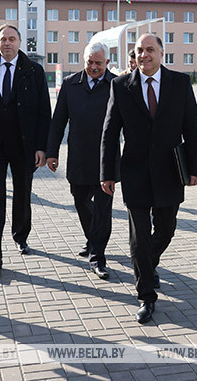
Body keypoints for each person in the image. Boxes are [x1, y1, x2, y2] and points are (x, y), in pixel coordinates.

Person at [101, 33, 197, 324]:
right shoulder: (121, 85)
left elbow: (192, 127)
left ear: (161, 53)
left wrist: (196, 168)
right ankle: (146, 294)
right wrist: (107, 173)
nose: (144, 55)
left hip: (170, 170)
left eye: (150, 49)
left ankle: (147, 263)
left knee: (166, 229)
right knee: (139, 235)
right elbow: (110, 132)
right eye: (139, 51)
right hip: (134, 171)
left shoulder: (180, 83)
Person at [0, 24, 51, 270]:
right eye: (3, 39)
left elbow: (44, 112)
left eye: (11, 39)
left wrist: (41, 147)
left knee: (23, 193)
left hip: (24, 145)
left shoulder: (34, 70)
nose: (7, 43)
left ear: (20, 42)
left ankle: (20, 236)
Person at [46, 42, 118, 280]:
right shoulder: (70, 84)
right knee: (81, 202)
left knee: (103, 209)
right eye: (89, 62)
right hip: (78, 156)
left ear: (107, 63)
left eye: (98, 63)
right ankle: (93, 239)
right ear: (83, 60)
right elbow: (58, 121)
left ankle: (98, 256)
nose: (93, 67)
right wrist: (52, 152)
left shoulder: (116, 85)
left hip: (106, 159)